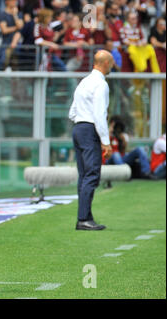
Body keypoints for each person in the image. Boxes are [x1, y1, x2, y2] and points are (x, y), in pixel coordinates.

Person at [68, 50, 114, 231]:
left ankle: (85, 216)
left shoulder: (84, 82)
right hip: (89, 129)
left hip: (78, 127)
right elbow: (99, 114)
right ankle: (83, 219)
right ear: (105, 63)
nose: (112, 66)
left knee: (84, 175)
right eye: (110, 62)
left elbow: (72, 111)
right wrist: (106, 141)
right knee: (92, 174)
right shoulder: (101, 85)